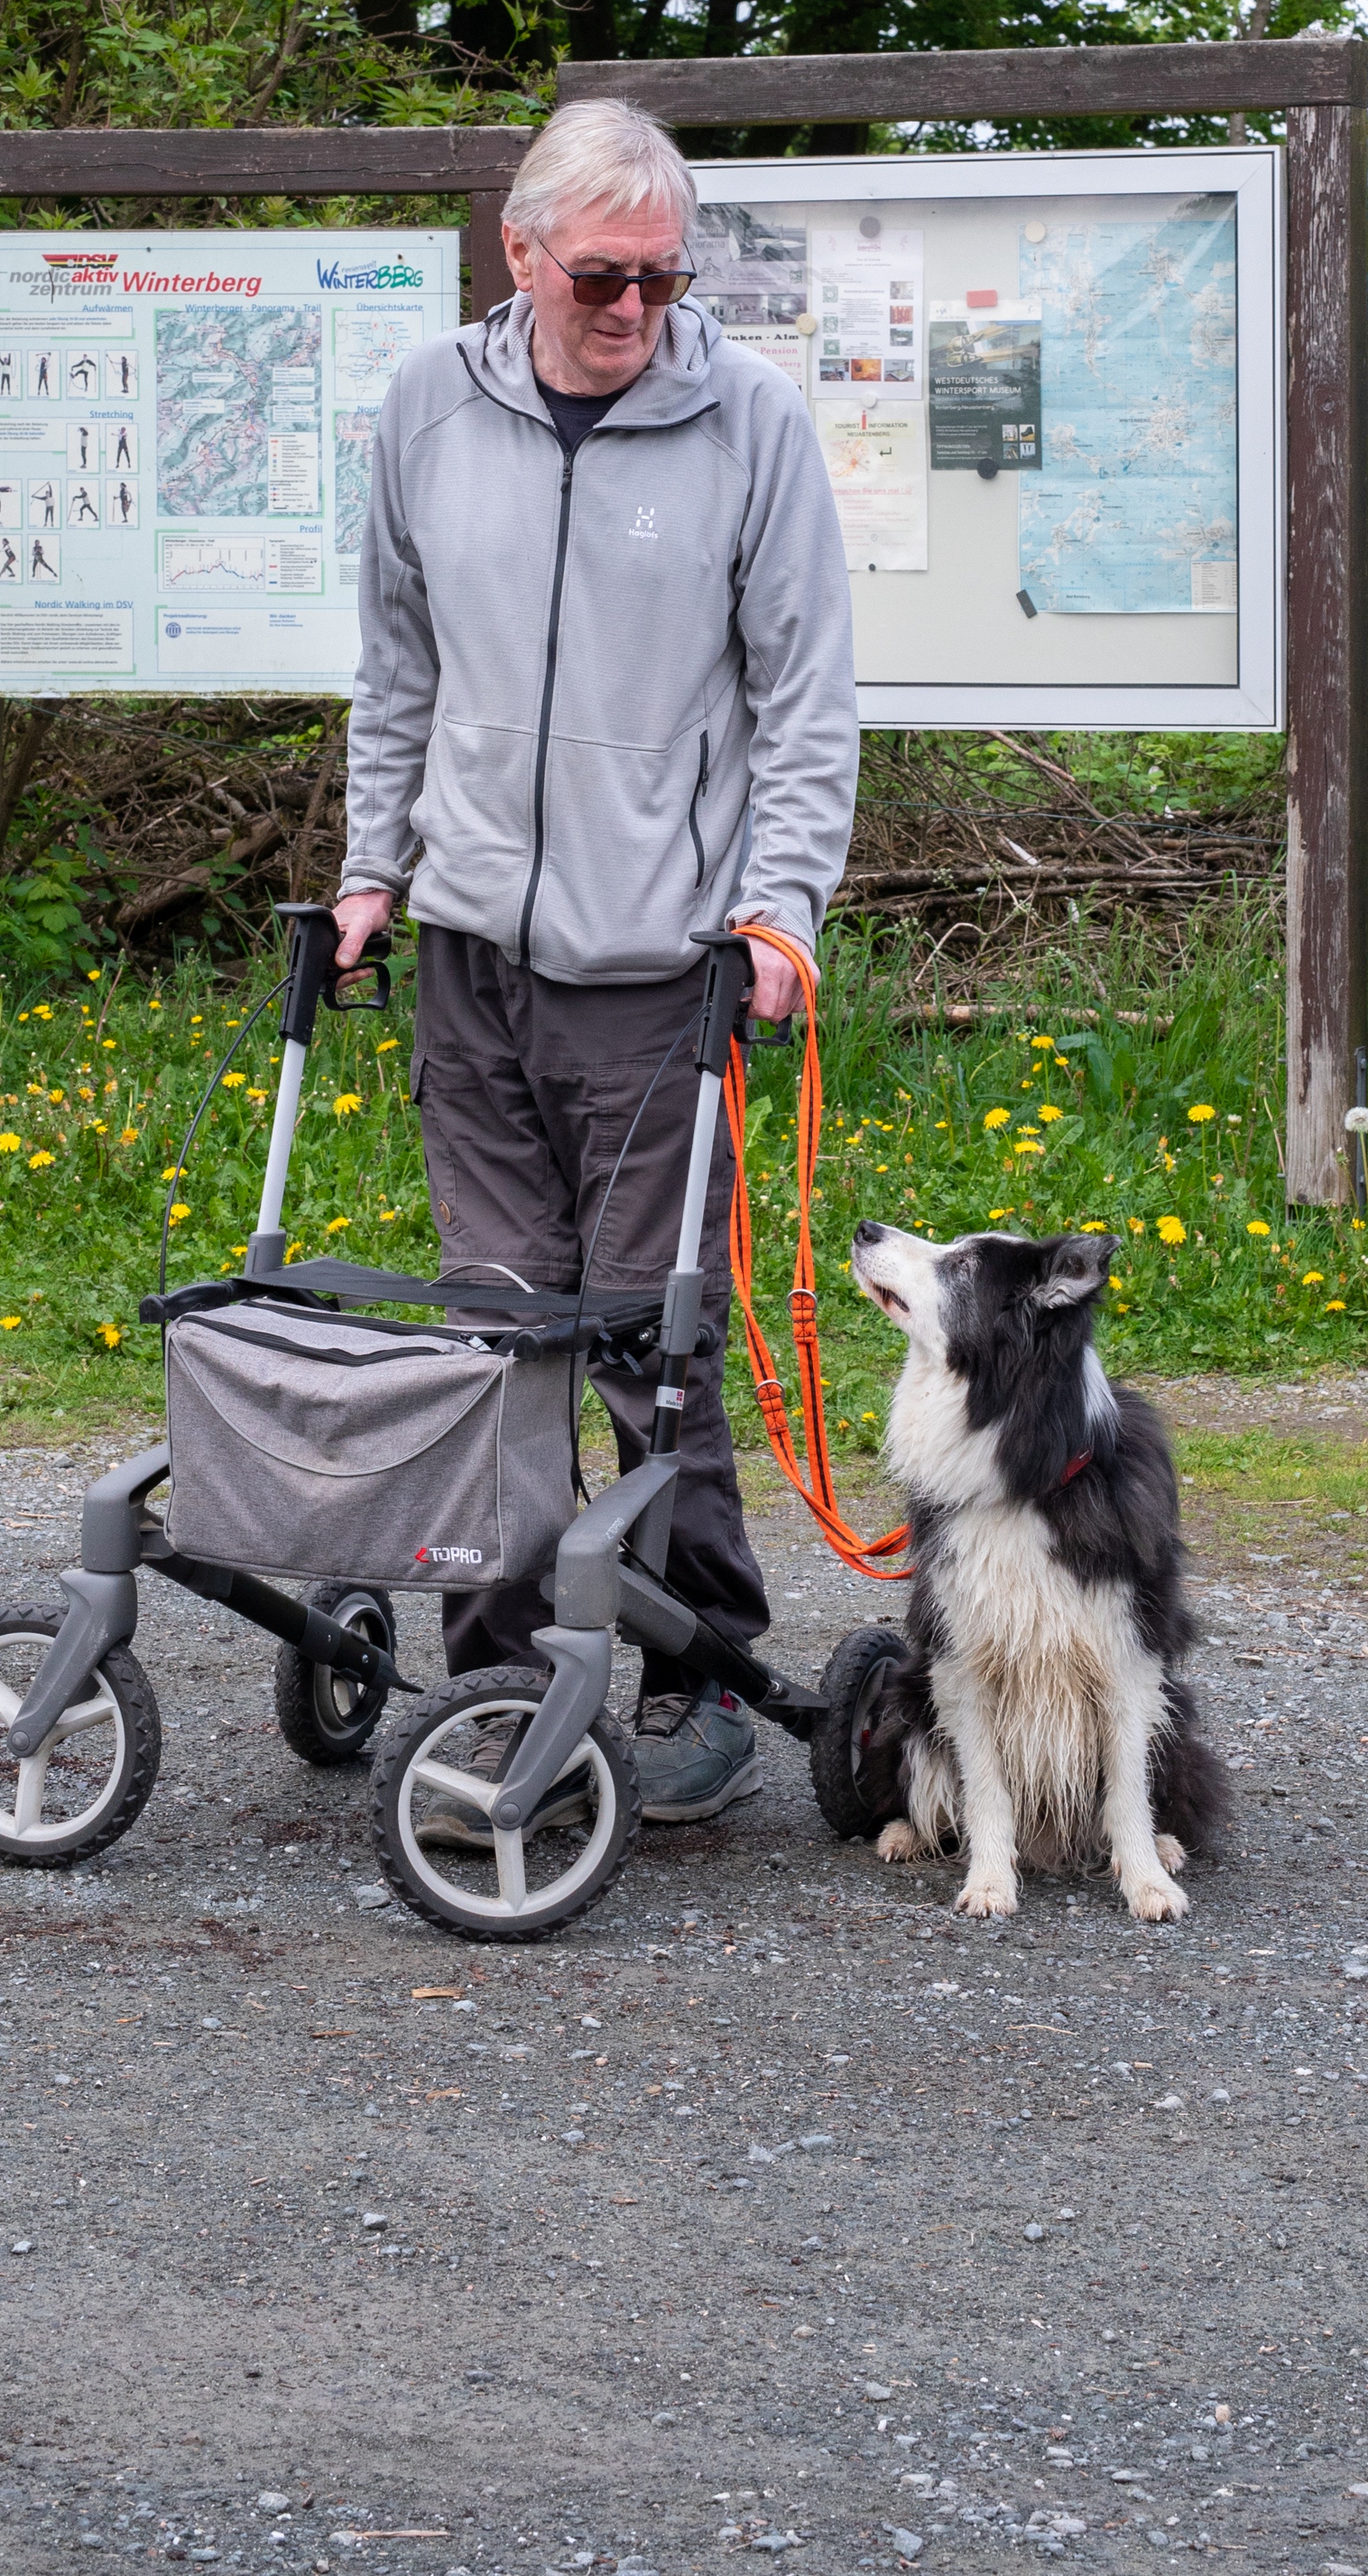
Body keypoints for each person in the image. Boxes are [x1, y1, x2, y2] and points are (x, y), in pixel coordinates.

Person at [335, 96, 857, 1828]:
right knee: (492, 1334)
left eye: (661, 278)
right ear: (523, 253)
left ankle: (695, 1662)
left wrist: (781, 913)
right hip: (474, 957)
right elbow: (394, 671)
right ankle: (495, 1670)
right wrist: (369, 873)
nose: (636, 309)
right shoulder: (427, 407)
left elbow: (804, 707)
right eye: (604, 277)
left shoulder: (750, 422)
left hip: (663, 969)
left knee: (651, 1344)